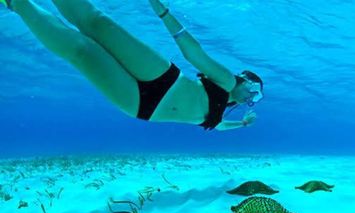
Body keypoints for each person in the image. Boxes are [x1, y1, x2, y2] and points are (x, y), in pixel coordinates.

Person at [0, 0, 263, 131]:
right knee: (97, 24)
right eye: (255, 88)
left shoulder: (222, 112)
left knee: (81, 50)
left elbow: (218, 126)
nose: (253, 96)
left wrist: (241, 124)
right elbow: (195, 54)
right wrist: (162, 11)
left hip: (140, 106)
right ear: (244, 79)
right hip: (165, 78)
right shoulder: (227, 80)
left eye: (257, 96)